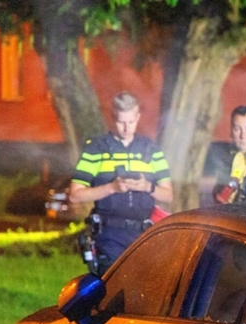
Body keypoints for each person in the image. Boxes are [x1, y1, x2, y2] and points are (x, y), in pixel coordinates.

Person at [68, 91, 173, 274]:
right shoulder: (96, 149)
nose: (126, 128)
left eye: (131, 122)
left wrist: (147, 187)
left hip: (144, 234)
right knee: (114, 291)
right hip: (110, 235)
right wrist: (111, 188)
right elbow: (75, 195)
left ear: (138, 117)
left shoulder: (151, 150)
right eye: (121, 122)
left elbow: (168, 195)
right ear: (112, 117)